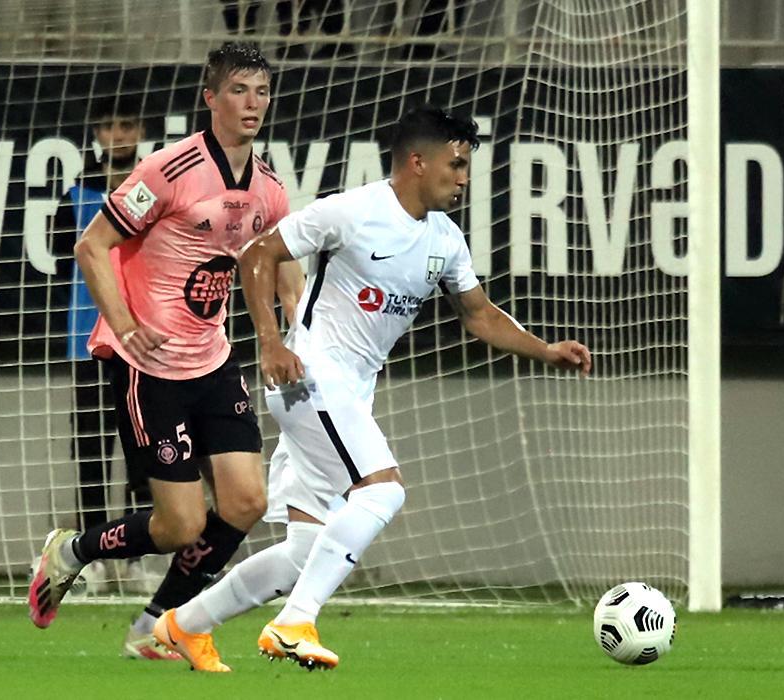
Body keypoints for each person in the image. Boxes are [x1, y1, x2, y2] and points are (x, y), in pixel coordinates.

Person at [151, 104, 592, 672]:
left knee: (304, 553)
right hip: (309, 375)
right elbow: (259, 253)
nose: (464, 178)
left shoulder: (445, 239)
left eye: (467, 167)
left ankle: (184, 624)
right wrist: (271, 341)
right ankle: (294, 623)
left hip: (347, 392)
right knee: (383, 492)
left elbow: (479, 315)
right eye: (456, 164)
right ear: (417, 162)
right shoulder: (354, 211)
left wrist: (545, 349)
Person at [28, 41, 304, 670]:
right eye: (238, 90)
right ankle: (72, 551)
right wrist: (125, 324)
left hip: (214, 360)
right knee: (180, 525)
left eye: (262, 92)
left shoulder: (269, 188)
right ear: (210, 98)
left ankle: (155, 625)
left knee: (246, 502)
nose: (252, 103)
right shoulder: (168, 170)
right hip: (149, 368)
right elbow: (92, 246)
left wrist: (293, 334)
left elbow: (281, 268)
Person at [49, 94, 155, 599]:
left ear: (141, 130)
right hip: (86, 341)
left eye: (126, 124)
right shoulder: (74, 192)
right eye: (109, 125)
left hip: (142, 337)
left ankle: (134, 557)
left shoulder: (155, 186)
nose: (118, 134)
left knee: (142, 449)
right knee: (90, 450)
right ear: (96, 133)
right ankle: (90, 557)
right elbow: (59, 259)